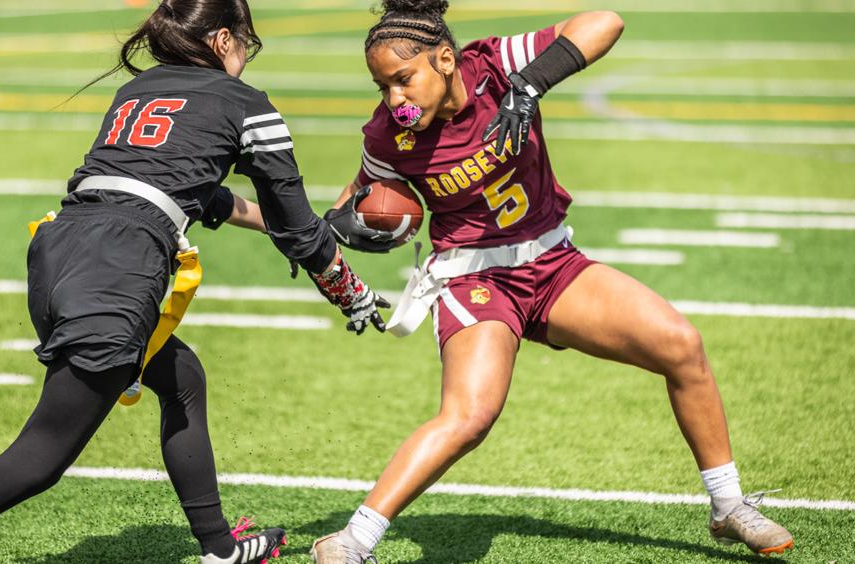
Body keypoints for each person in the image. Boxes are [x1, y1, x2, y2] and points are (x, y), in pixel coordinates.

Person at [0, 2, 389, 563]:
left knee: (182, 380)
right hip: (120, 264)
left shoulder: (139, 89)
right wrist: (351, 291)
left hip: (61, 247)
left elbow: (197, 192)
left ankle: (220, 549)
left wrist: (298, 228)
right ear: (223, 39)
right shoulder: (246, 104)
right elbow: (300, 235)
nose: (248, 52)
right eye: (247, 41)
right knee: (40, 456)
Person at [311, 0, 795, 560]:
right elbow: (358, 197)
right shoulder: (388, 135)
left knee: (681, 345)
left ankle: (728, 505)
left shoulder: (493, 67)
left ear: (446, 59)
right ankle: (351, 540)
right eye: (382, 88)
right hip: (477, 278)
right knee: (470, 416)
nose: (394, 100)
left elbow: (605, 21)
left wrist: (530, 85)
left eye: (402, 80)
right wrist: (344, 224)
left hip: (553, 263)